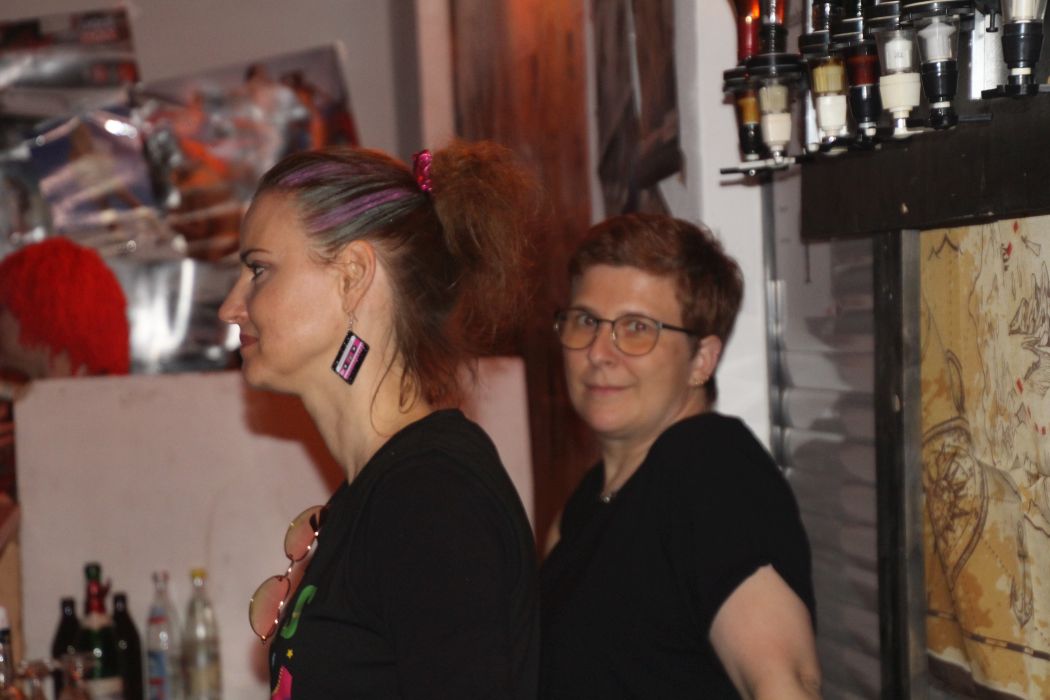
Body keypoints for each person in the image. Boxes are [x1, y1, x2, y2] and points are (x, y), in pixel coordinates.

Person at [218, 141, 539, 699]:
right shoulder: (379, 489)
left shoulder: (433, 498)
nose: (231, 307)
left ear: (353, 276)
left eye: (259, 270)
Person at [540, 213, 820, 699]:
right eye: (586, 320)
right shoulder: (587, 502)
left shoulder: (711, 472)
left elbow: (786, 684)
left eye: (636, 328)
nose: (599, 352)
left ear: (701, 360)